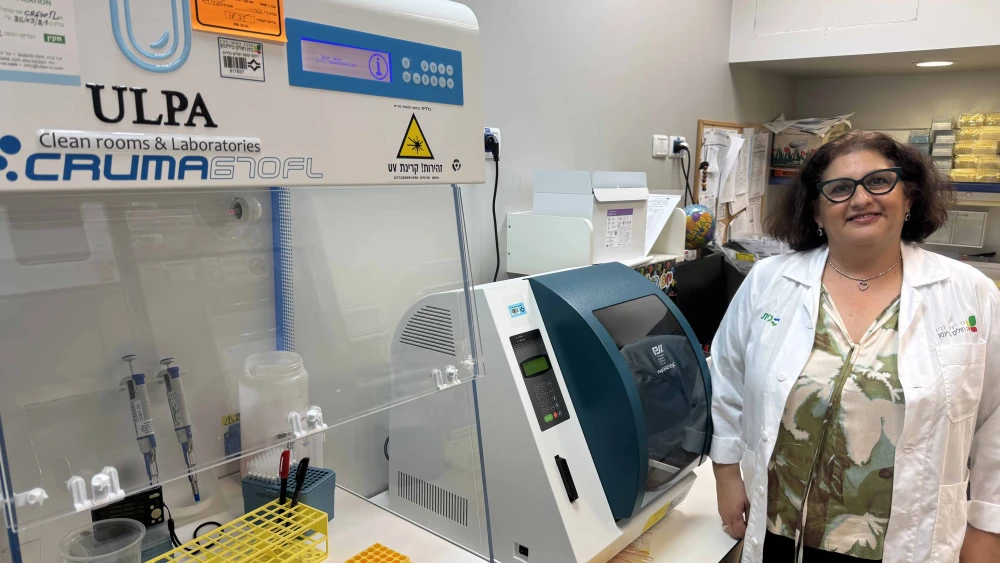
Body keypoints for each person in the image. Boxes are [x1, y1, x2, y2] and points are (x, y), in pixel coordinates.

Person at [709, 131, 1000, 563]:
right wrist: (727, 472)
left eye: (879, 181)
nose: (861, 199)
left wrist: (988, 527)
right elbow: (728, 380)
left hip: (905, 541)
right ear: (817, 211)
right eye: (840, 189)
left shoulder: (968, 293)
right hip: (778, 530)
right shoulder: (769, 281)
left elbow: (994, 420)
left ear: (910, 198)